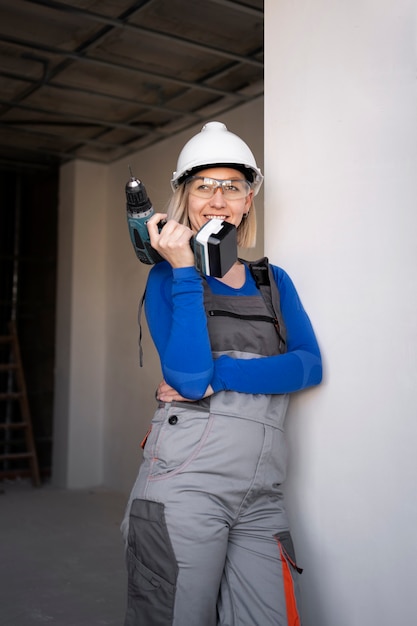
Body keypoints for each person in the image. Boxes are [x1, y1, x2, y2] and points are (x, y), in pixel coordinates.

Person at [121, 121, 322, 626]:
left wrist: (226, 372)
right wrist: (186, 267)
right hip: (185, 487)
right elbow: (189, 379)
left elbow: (309, 365)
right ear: (183, 197)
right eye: (203, 186)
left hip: (262, 495)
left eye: (231, 186)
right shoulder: (167, 276)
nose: (217, 199)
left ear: (248, 200)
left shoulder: (271, 280)